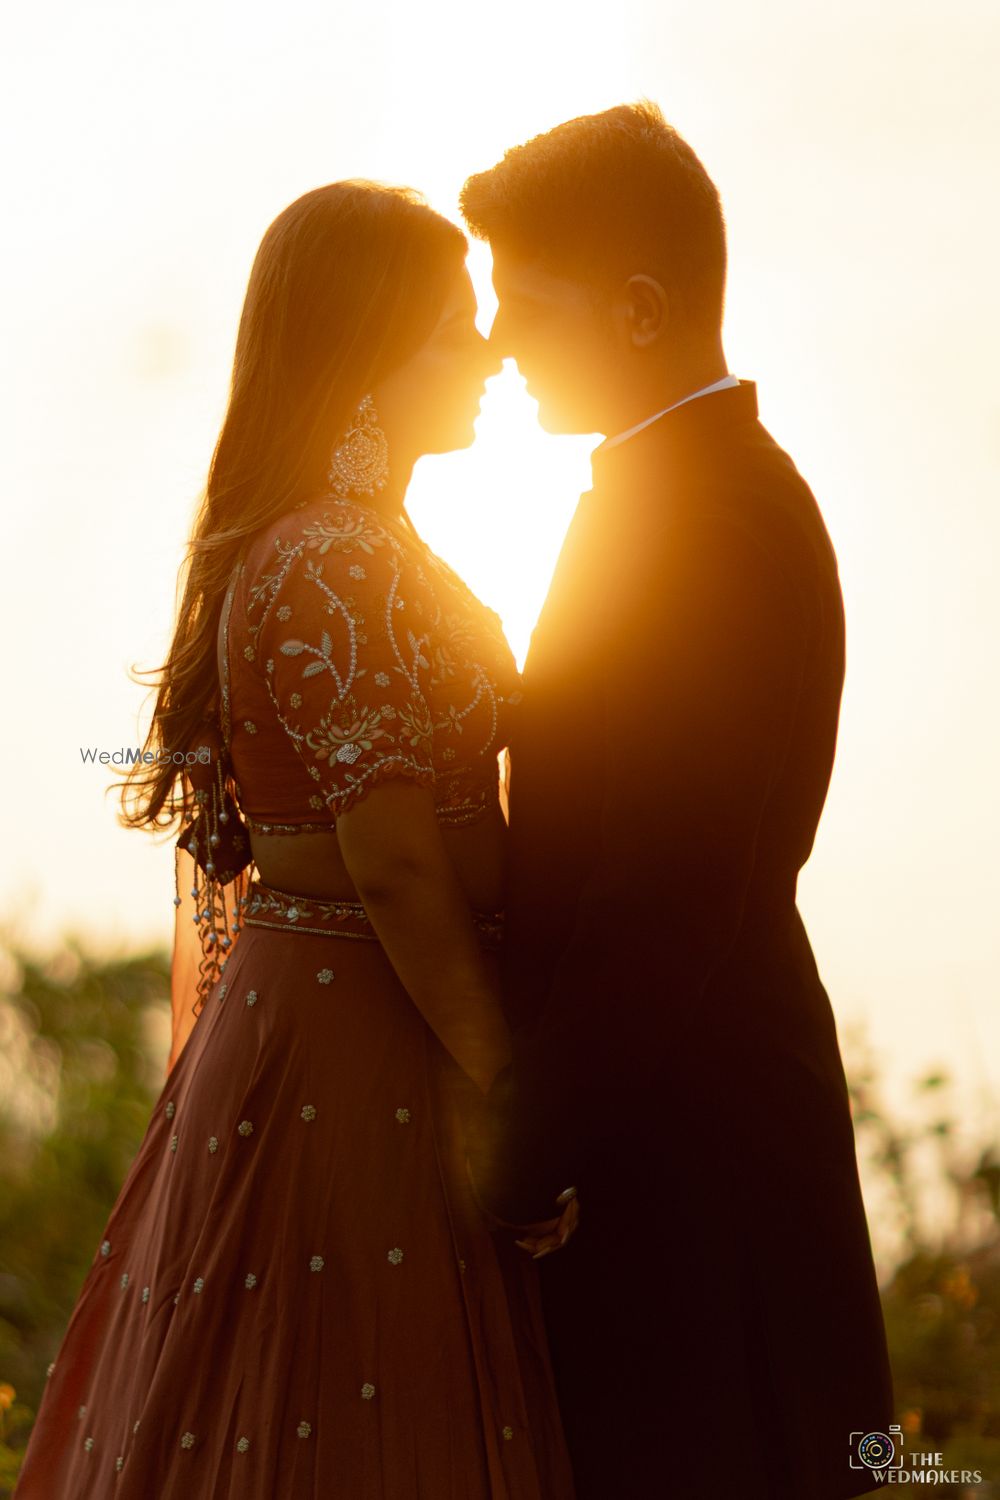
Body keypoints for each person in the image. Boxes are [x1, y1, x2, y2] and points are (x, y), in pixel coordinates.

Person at [13, 181, 578, 1499]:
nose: (488, 352)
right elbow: (389, 859)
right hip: (360, 1041)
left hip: (335, 1022)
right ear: (372, 353)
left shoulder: (340, 546)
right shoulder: (341, 565)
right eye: (453, 326)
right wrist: (503, 1085)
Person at [458, 101, 897, 1499]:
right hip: (666, 1142)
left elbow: (667, 885)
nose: (495, 344)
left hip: (696, 1170)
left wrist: (528, 1153)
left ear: (639, 310)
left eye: (523, 307)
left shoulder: (715, 521)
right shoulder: (665, 497)